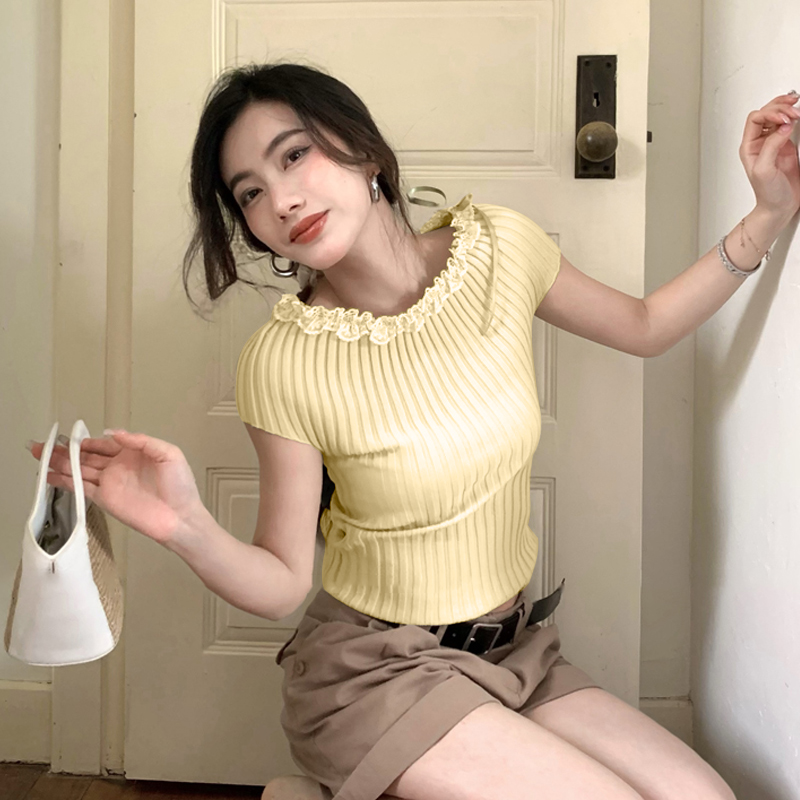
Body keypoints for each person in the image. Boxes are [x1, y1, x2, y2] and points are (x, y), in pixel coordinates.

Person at [27, 62, 799, 800]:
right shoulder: (285, 360)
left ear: (365, 150)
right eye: (251, 193)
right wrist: (185, 525)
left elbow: (646, 325)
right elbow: (283, 580)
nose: (283, 200)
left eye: (295, 155)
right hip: (373, 672)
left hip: (512, 649)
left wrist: (768, 212)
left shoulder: (500, 249)